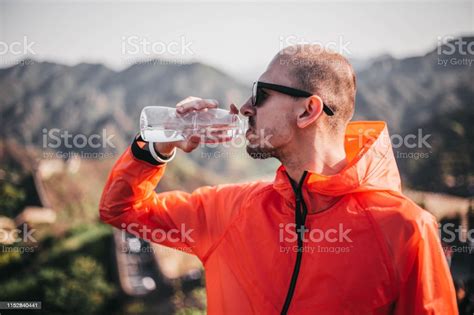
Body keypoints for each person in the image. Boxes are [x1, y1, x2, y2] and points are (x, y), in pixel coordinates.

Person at [99, 45, 458, 314]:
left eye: (260, 94)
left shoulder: (406, 229)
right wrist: (157, 147)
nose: (244, 108)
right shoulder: (230, 210)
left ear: (308, 110)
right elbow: (122, 210)